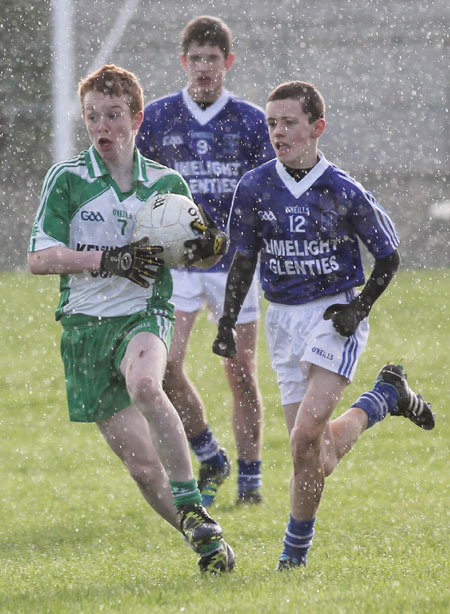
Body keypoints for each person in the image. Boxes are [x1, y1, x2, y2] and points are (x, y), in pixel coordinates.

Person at [212, 80, 435, 570]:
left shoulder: (342, 189)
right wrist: (227, 320)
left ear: (318, 128)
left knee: (303, 435)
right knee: (316, 455)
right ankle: (385, 398)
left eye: (289, 122)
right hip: (281, 322)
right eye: (271, 123)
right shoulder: (254, 187)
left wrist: (360, 308)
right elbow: (244, 259)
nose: (278, 132)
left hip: (333, 317)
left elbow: (388, 256)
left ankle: (293, 557)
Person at [27, 64, 235, 575]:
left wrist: (208, 247)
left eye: (114, 115)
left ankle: (189, 499)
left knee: (146, 383)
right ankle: (207, 544)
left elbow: (195, 249)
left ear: (136, 118)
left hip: (144, 313)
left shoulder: (165, 183)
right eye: (93, 116)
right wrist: (108, 259)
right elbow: (38, 257)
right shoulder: (69, 179)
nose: (103, 126)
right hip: (84, 329)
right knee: (143, 469)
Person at [137, 16, 274, 506]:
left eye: (213, 59)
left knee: (240, 371)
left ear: (228, 63)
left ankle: (251, 480)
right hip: (177, 266)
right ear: (183, 61)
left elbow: (265, 191)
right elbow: (139, 187)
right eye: (195, 58)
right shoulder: (156, 118)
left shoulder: (252, 120)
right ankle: (209, 453)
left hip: (233, 265)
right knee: (166, 367)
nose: (204, 67)